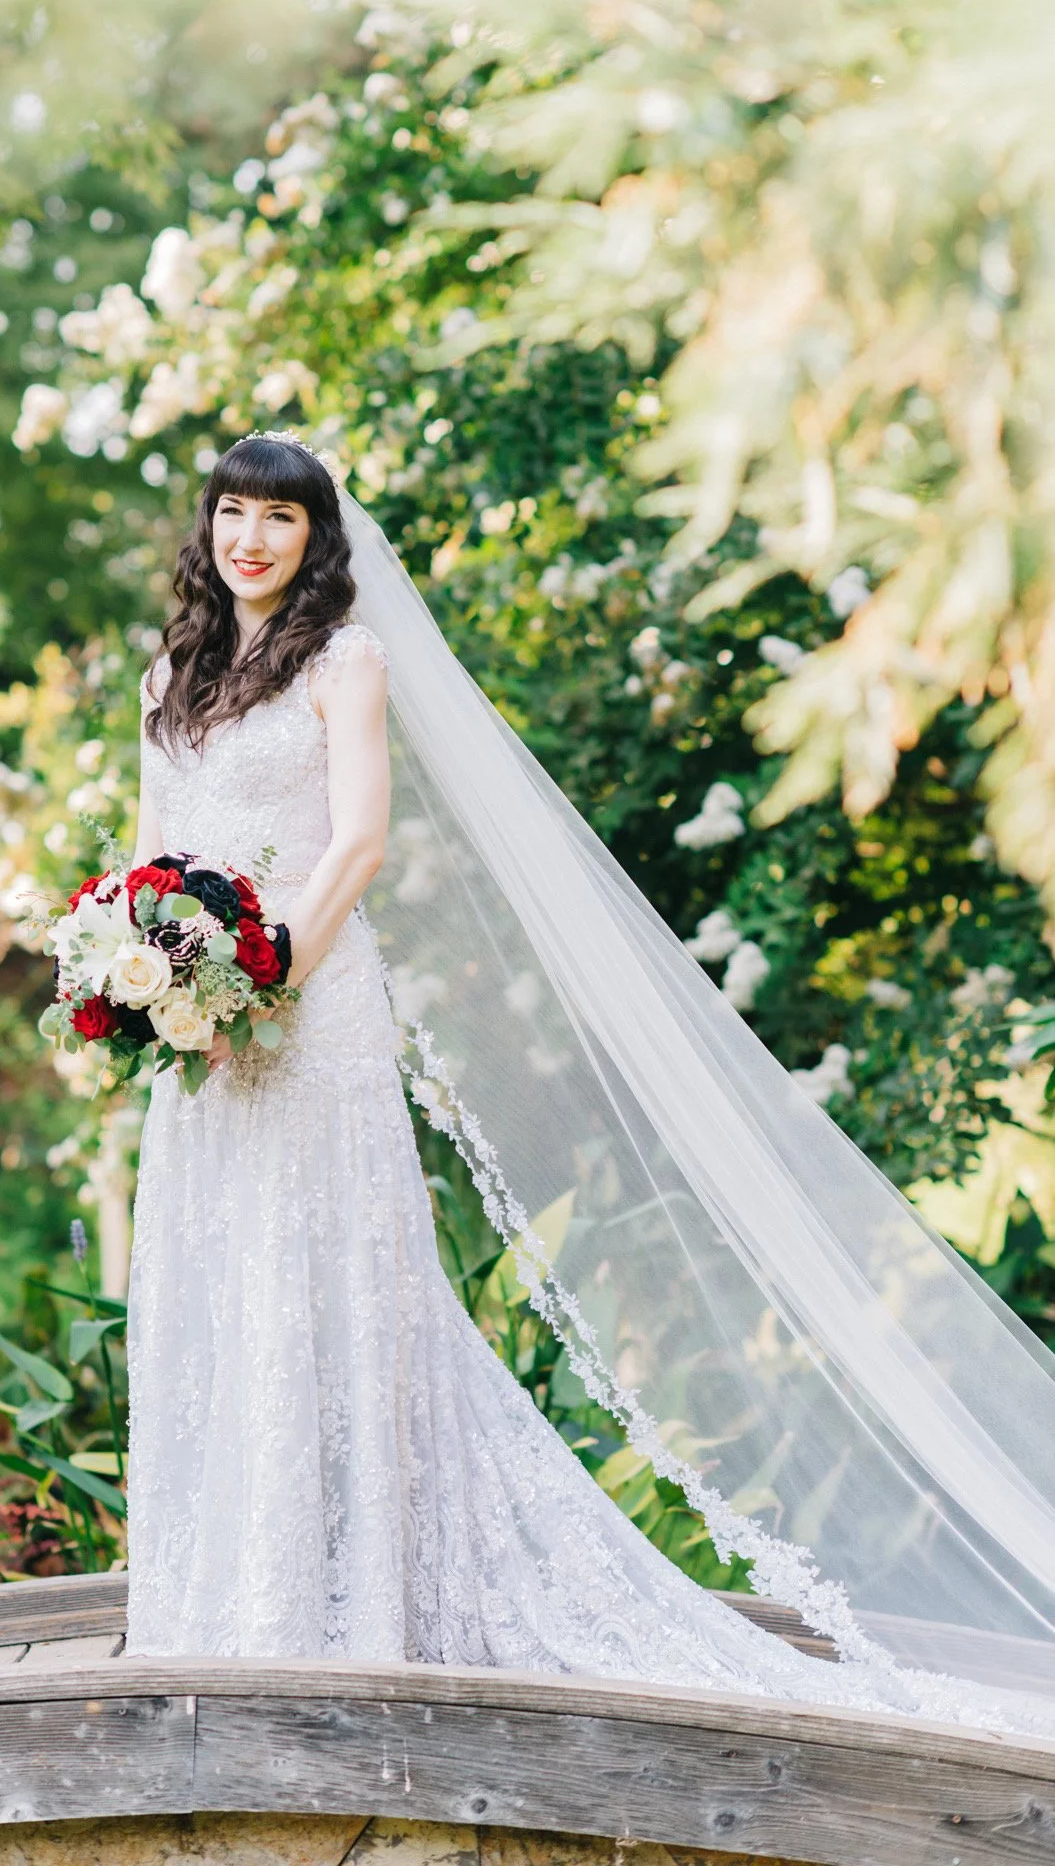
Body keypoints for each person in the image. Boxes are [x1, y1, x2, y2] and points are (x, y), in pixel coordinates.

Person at [122, 430, 1055, 1739]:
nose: (252, 539)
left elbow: (360, 840)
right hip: (194, 1032)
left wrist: (264, 974)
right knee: (223, 1270)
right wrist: (145, 975)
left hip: (308, 1013)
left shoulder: (344, 661)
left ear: (313, 536)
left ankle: (346, 1606)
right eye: (234, 512)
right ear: (208, 526)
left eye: (280, 517)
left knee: (325, 1272)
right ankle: (222, 1597)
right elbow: (151, 851)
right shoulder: (171, 673)